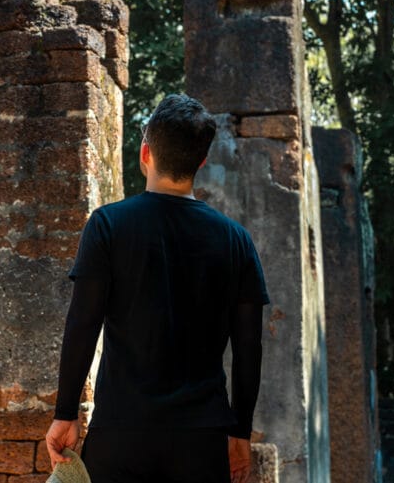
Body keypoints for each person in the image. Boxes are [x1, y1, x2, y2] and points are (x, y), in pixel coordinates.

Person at [45, 94, 270, 483]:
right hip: (201, 439)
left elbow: (82, 323)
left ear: (145, 152)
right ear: (201, 161)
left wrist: (65, 413)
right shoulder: (236, 241)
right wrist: (240, 432)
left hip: (120, 432)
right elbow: (249, 349)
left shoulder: (108, 226)